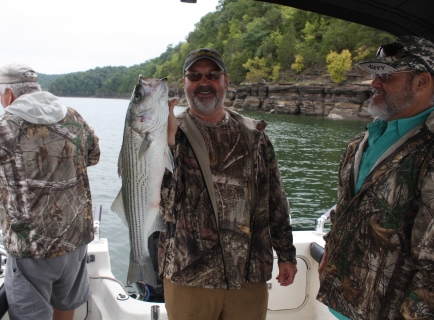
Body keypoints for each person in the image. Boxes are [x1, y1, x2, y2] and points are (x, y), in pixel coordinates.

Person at [159, 48, 297, 320]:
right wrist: (167, 144)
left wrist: (286, 254)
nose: (204, 82)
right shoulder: (167, 132)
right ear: (184, 83)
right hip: (188, 274)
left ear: (226, 81)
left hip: (249, 272)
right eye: (194, 76)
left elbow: (275, 200)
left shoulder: (254, 134)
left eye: (213, 75)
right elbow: (157, 202)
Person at [317, 35, 434, 320]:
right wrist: (331, 249)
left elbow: (429, 262)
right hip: (344, 301)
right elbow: (345, 208)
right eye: (374, 74)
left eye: (386, 76)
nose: (373, 83)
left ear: (422, 82)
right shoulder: (360, 143)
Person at [0, 63, 100, 320]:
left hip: (33, 247)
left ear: (8, 94)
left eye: (0, 95)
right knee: (65, 305)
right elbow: (93, 156)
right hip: (75, 238)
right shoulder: (74, 117)